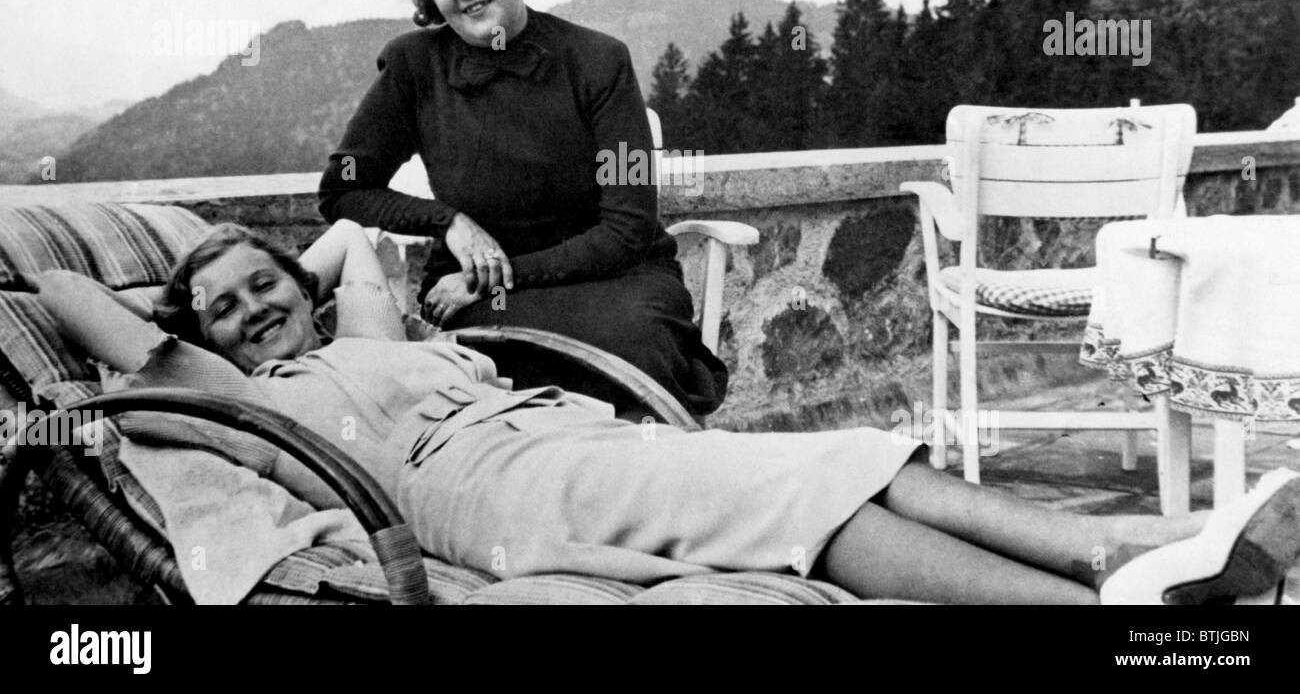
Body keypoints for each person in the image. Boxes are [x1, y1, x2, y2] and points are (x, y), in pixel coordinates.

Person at [31, 219, 1300, 604]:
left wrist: (297, 269)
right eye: (224, 305)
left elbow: (360, 236)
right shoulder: (243, 392)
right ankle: (1111, 591)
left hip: (568, 433)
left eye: (265, 285)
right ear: (200, 336)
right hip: (483, 488)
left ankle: (1117, 554)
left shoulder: (369, 331)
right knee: (787, 496)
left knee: (844, 450)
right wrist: (195, 303)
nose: (253, 308)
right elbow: (63, 289)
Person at [317, 0, 726, 419]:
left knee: (636, 347)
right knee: (476, 373)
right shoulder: (413, 67)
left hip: (613, 281)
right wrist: (448, 222)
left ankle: (642, 469)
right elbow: (343, 189)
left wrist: (491, 274)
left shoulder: (600, 62)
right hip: (482, 297)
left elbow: (627, 231)